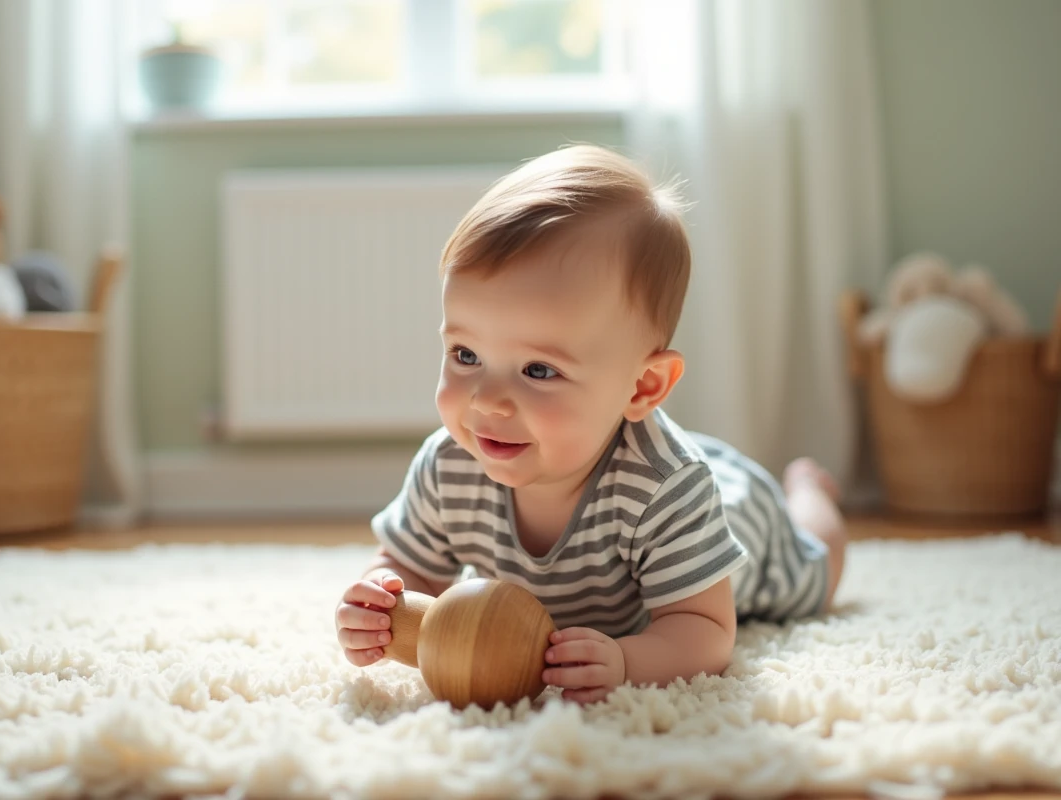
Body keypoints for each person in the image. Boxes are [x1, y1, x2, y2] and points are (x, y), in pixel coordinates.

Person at [334, 144, 848, 705]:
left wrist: (627, 659)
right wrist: (380, 604)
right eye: (465, 355)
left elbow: (705, 632)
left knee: (814, 574)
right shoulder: (449, 464)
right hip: (638, 457)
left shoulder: (667, 490)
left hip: (736, 520)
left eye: (538, 369)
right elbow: (410, 567)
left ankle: (809, 492)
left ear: (643, 387)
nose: (488, 402)